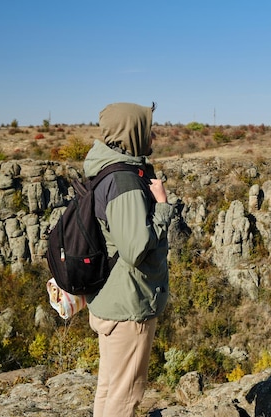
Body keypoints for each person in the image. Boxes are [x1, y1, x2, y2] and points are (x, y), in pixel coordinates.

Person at [82, 102, 173, 416]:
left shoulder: (109, 170)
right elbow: (135, 250)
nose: (154, 134)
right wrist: (162, 206)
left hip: (112, 299)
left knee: (109, 389)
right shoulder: (124, 182)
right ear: (131, 132)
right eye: (148, 128)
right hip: (129, 306)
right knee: (125, 397)